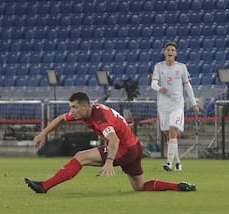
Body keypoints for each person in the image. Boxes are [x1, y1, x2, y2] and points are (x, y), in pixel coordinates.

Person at [24, 92, 196, 193]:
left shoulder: (100, 117)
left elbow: (114, 140)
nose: (72, 111)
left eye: (74, 107)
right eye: (71, 107)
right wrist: (43, 133)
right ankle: (179, 186)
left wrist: (109, 162)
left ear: (85, 106)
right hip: (135, 147)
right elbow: (61, 118)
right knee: (140, 187)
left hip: (124, 148)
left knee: (80, 156)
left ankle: (44, 186)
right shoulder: (88, 111)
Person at [151, 42, 199, 171]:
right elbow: (153, 84)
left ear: (176, 53)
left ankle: (169, 163)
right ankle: (177, 161)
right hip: (163, 105)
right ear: (164, 52)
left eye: (172, 50)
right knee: (168, 134)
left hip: (177, 105)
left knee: (173, 130)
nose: (170, 51)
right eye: (168, 49)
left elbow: (187, 86)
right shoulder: (158, 67)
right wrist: (160, 88)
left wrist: (193, 103)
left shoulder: (182, 67)